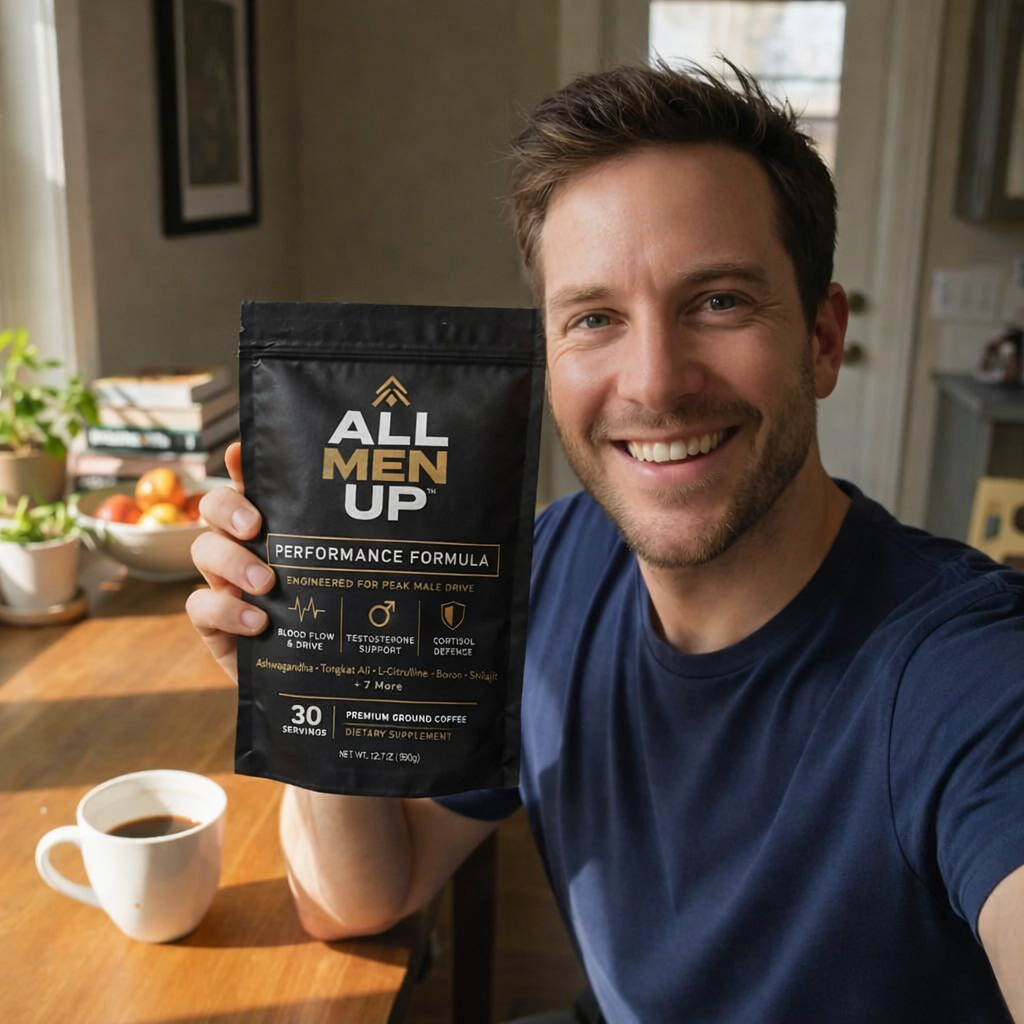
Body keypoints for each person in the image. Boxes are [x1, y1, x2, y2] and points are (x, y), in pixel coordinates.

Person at [187, 61, 1024, 1023]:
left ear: (822, 341)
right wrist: (304, 668)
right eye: (594, 318)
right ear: (548, 359)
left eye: (718, 301)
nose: (655, 382)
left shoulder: (964, 676)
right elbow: (365, 894)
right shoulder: (553, 567)